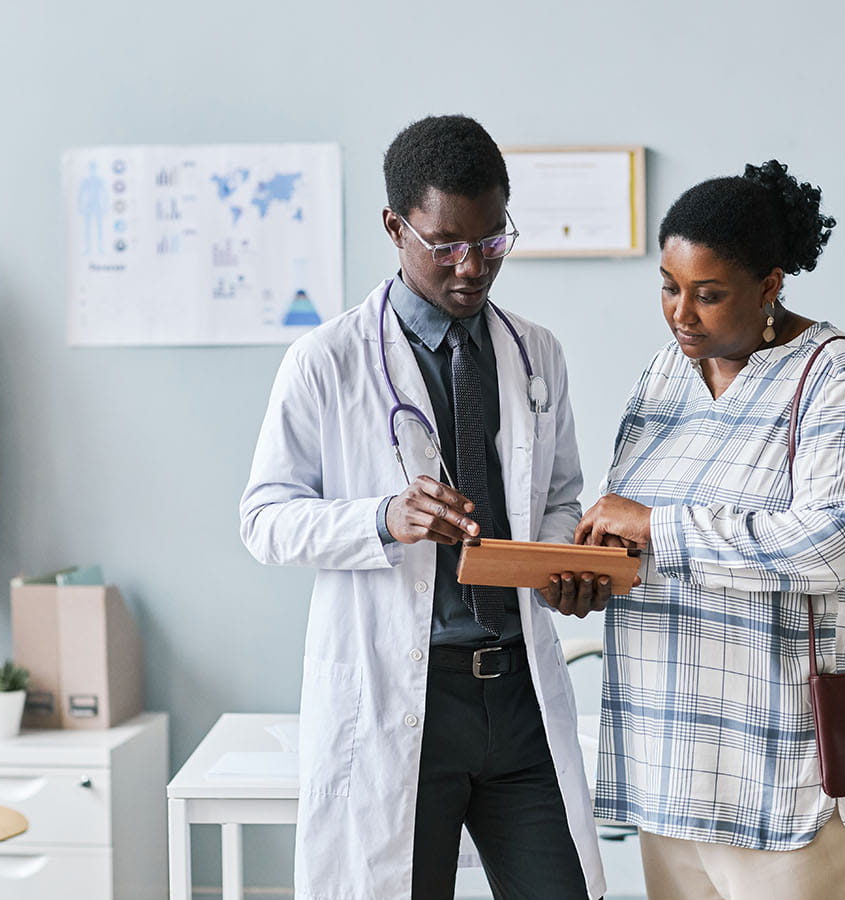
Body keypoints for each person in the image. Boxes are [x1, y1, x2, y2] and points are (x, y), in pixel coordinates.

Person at [241, 114, 611, 900]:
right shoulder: (326, 361)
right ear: (395, 228)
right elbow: (264, 519)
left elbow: (558, 497)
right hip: (403, 694)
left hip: (518, 693)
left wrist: (557, 569)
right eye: (446, 245)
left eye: (492, 240)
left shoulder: (537, 352)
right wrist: (382, 518)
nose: (473, 266)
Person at [575, 161, 845, 900]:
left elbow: (833, 543)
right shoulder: (663, 376)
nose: (682, 314)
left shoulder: (836, 375)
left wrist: (656, 527)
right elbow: (638, 538)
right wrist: (589, 572)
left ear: (769, 286)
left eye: (708, 294)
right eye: (668, 287)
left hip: (791, 773)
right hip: (671, 761)